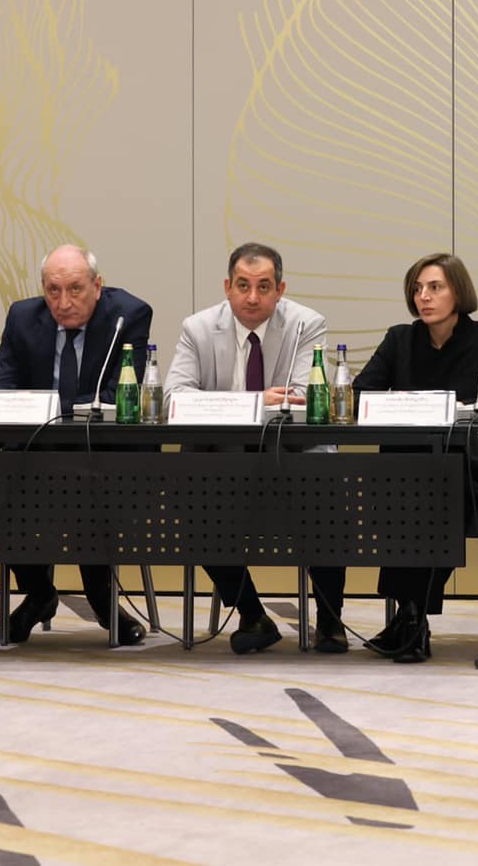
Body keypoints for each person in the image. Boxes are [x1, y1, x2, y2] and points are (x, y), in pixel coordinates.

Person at [164, 242, 330, 654]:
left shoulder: (306, 324)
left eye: (264, 287)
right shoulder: (198, 328)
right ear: (228, 287)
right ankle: (252, 614)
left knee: (328, 489)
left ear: (280, 289)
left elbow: (303, 399)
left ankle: (331, 620)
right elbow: (174, 399)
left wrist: (225, 404)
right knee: (192, 499)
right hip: (221, 460)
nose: (252, 297)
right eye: (243, 285)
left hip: (289, 455)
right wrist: (256, 402)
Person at [0, 244, 154, 646]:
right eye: (53, 290)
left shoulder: (128, 315)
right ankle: (39, 593)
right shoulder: (22, 317)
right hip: (37, 451)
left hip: (102, 452)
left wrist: (45, 407)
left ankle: (100, 597)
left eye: (76, 289)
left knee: (84, 481)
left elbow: (119, 395)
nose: (63, 303)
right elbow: (1, 389)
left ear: (97, 286)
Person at [353, 252, 478, 663]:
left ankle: (410, 617)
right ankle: (412, 617)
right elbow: (361, 393)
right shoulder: (399, 340)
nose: (423, 297)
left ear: (459, 292)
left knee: (435, 490)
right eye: (417, 289)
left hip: (474, 473)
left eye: (435, 287)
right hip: (407, 475)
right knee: (405, 489)